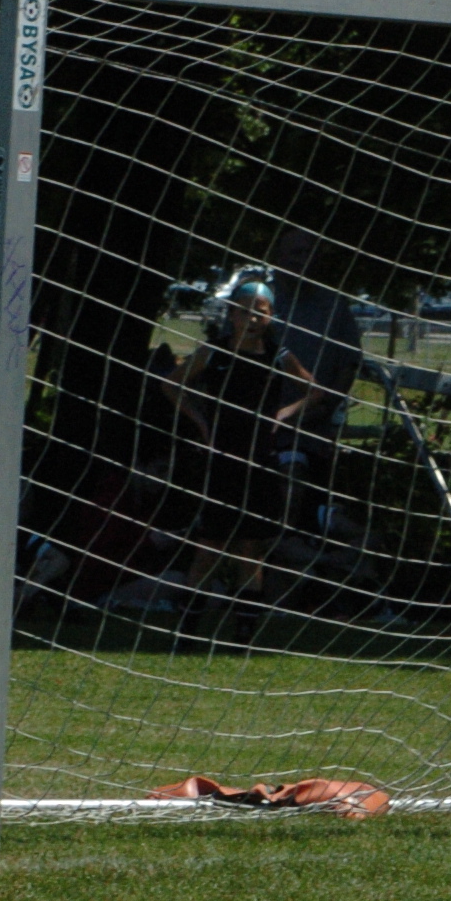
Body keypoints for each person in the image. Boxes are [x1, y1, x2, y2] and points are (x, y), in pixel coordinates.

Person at [159, 280, 323, 630]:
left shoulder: (278, 356)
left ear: (271, 316)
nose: (252, 319)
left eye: (260, 313)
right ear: (232, 314)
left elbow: (314, 391)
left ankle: (244, 632)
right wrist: (201, 422)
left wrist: (283, 414)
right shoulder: (214, 352)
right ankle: (189, 629)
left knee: (251, 549)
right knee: (209, 547)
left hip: (260, 460)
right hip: (221, 460)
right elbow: (171, 384)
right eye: (244, 312)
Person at [265, 227, 362, 542]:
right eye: (297, 253)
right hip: (262, 429)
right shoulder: (260, 303)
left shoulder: (333, 305)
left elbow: (349, 364)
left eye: (310, 253)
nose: (304, 260)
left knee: (310, 509)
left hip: (315, 430)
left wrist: (325, 409)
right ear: (278, 257)